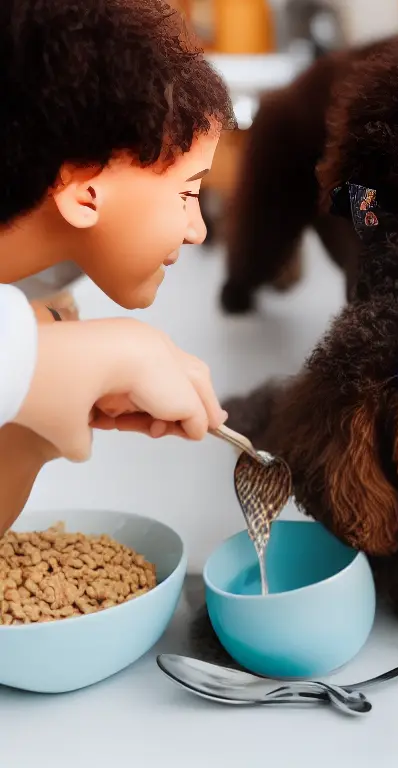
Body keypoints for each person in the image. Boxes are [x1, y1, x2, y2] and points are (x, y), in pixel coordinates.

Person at [0, 0, 236, 533]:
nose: (197, 230)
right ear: (85, 191)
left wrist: (33, 421)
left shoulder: (39, 310)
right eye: (188, 192)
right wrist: (35, 364)